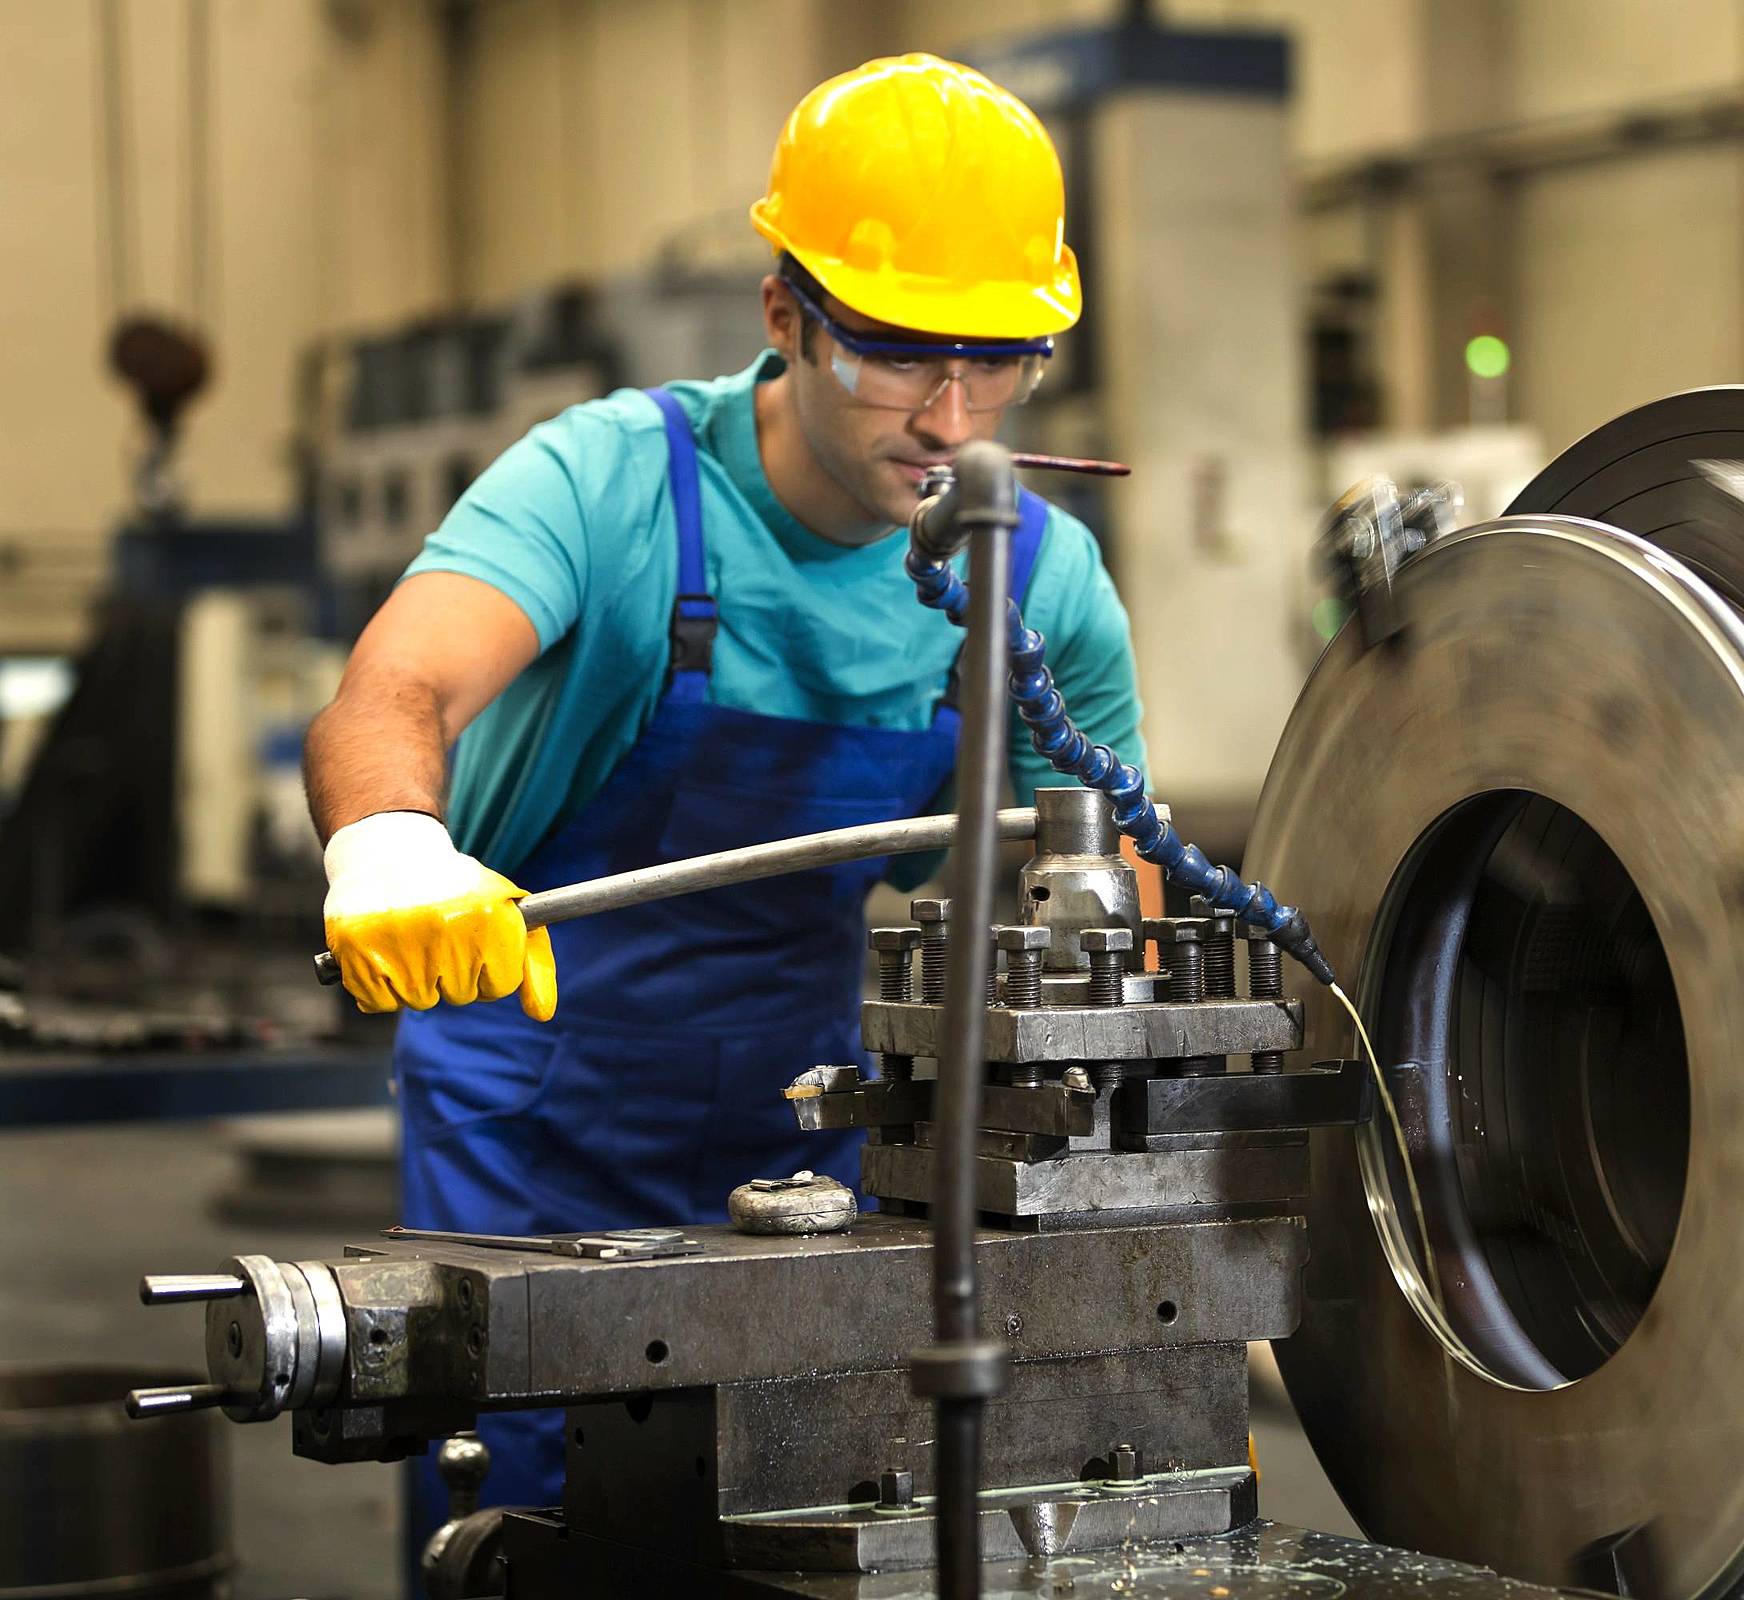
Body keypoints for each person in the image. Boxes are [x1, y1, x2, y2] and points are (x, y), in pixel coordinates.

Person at [302, 54, 1145, 1546]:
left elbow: (1099, 877)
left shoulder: (1038, 577)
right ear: (783, 316)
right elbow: (395, 693)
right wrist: (384, 842)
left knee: (800, 1508)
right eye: (895, 354)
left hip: (807, 1109)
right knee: (521, 1519)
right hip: (532, 1099)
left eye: (997, 362)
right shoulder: (609, 485)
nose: (950, 419)